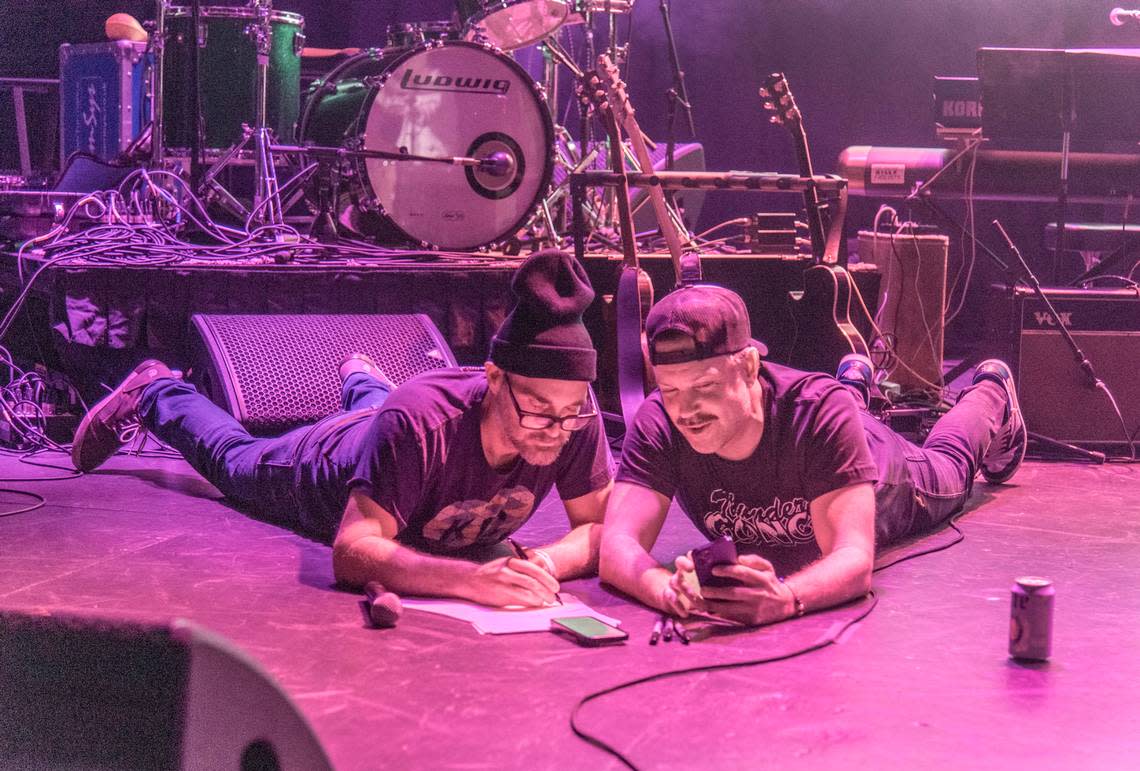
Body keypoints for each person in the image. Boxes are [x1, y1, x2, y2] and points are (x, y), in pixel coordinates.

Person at [71, 250, 615, 608]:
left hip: (386, 431)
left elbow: (597, 530)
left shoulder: (573, 416)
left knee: (386, 414)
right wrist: (472, 582)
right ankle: (157, 390)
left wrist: (540, 564)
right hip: (326, 461)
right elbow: (353, 550)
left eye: (569, 414)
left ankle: (362, 380)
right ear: (493, 378)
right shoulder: (418, 422)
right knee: (233, 459)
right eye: (538, 410)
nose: (556, 429)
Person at [599, 283, 1027, 627]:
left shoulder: (819, 410)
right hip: (831, 431)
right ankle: (855, 382)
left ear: (748, 366)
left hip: (886, 471)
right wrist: (665, 590)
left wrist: (787, 598)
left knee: (950, 463)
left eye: (705, 387)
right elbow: (617, 545)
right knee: (840, 407)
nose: (685, 410)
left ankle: (991, 393)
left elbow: (854, 559)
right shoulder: (661, 418)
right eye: (671, 390)